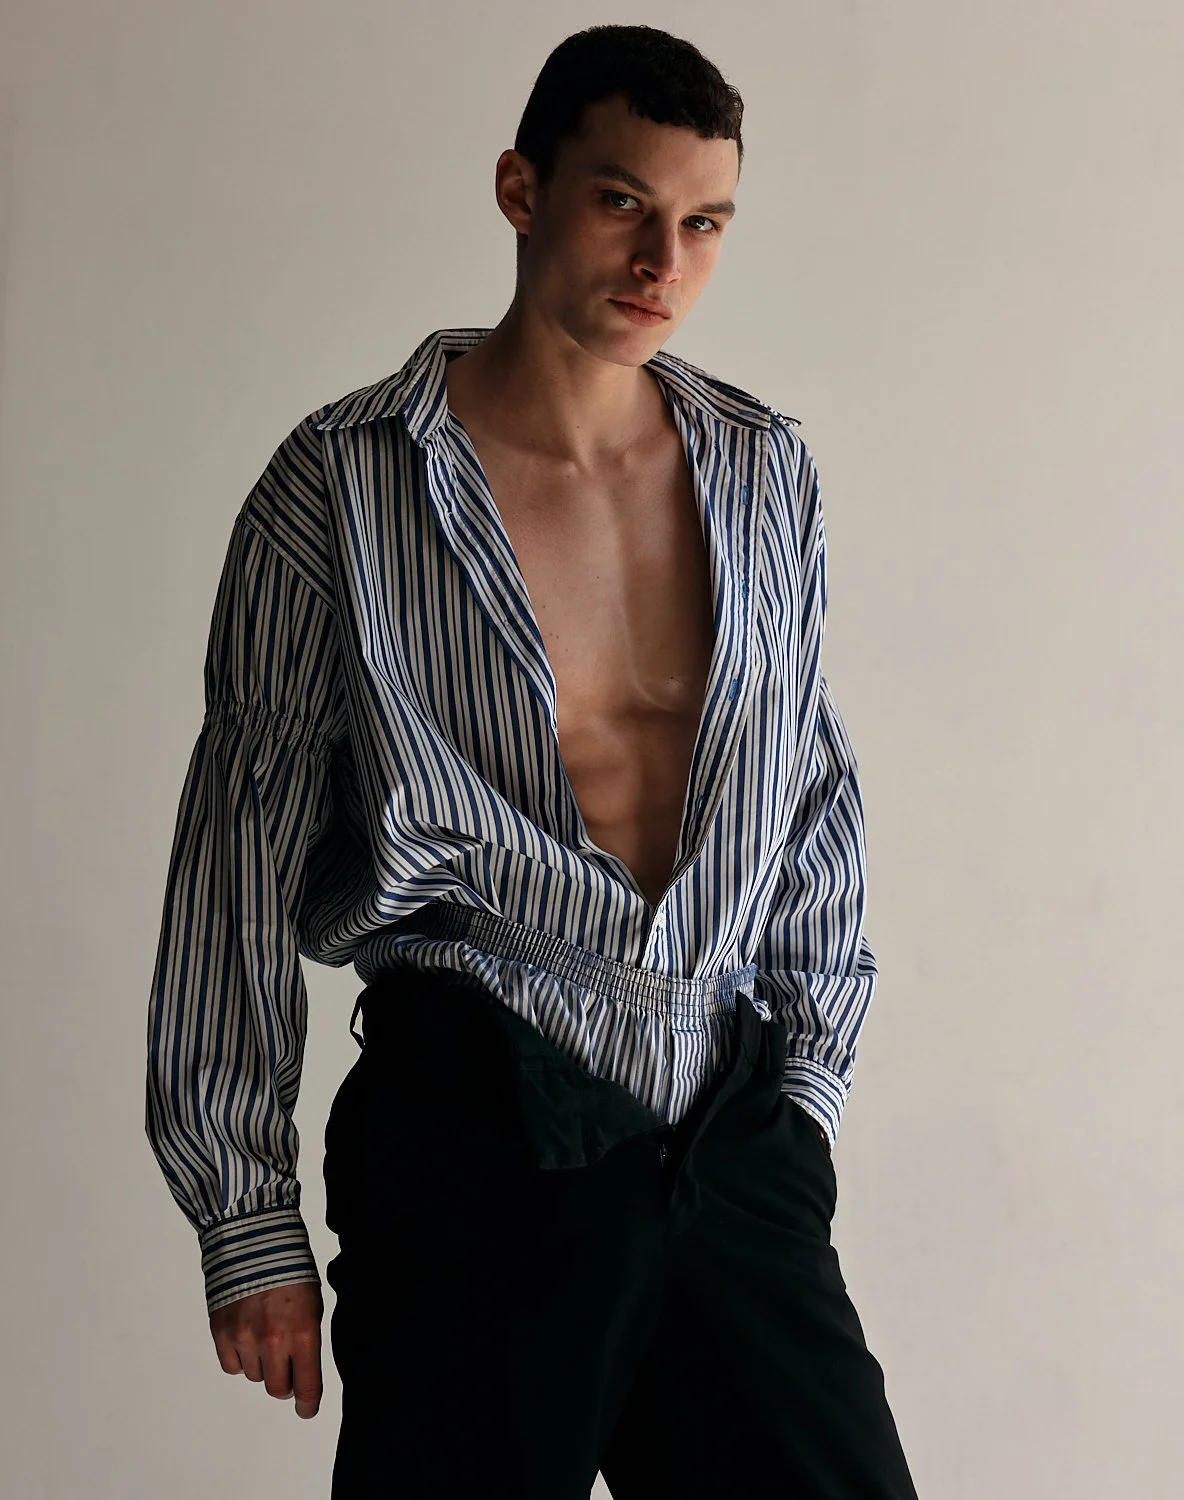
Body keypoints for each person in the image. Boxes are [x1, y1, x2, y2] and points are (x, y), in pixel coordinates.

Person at [144, 22, 920, 1498]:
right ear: (521, 188)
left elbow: (813, 790)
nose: (664, 261)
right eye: (623, 202)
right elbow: (235, 854)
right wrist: (246, 1219)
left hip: (726, 1127)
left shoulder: (764, 471)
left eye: (704, 223)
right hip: (476, 1130)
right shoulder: (343, 487)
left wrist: (803, 1098)